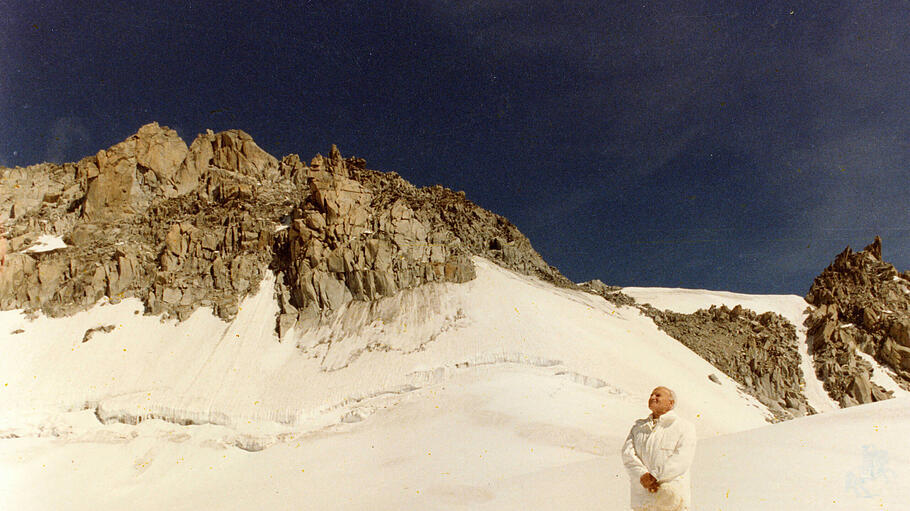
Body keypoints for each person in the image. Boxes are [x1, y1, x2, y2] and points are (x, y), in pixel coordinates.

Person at [621, 386, 697, 511]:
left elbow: (682, 458)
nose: (652, 397)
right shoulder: (638, 427)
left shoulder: (684, 427)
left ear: (670, 403)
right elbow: (628, 454)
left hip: (672, 500)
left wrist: (654, 476)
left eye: (658, 395)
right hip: (642, 499)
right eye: (651, 395)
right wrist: (642, 475)